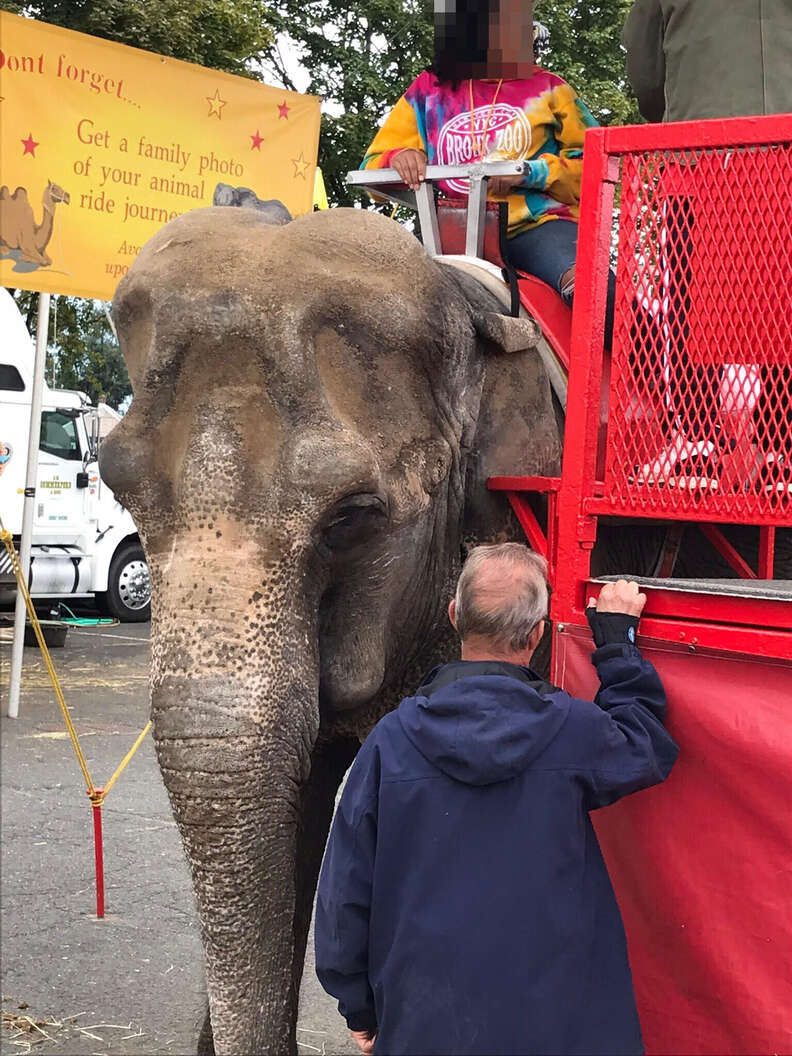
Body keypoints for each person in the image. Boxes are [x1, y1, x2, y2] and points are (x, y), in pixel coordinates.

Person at [315, 543, 678, 1056]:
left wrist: (359, 1006)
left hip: (424, 1024)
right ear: (538, 633)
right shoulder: (572, 731)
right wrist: (618, 646)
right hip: (559, 1027)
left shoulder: (390, 741)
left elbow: (345, 892)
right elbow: (644, 743)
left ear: (453, 617)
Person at [361, 1, 616, 339]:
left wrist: (530, 172)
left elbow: (600, 166)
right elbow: (372, 165)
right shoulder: (427, 91)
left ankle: (652, 373)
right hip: (449, 236)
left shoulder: (551, 89)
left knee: (596, 292)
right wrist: (400, 156)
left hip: (537, 228)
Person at [622, 0, 792, 486]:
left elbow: (647, 73)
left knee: (690, 304)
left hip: (702, 157)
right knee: (783, 309)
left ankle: (697, 443)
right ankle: (781, 452)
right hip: (786, 158)